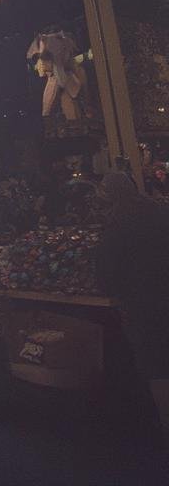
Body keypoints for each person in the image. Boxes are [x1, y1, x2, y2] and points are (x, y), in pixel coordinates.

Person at [98, 171, 169, 445]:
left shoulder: (117, 224)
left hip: (142, 305)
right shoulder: (161, 213)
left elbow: (106, 275)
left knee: (157, 366)